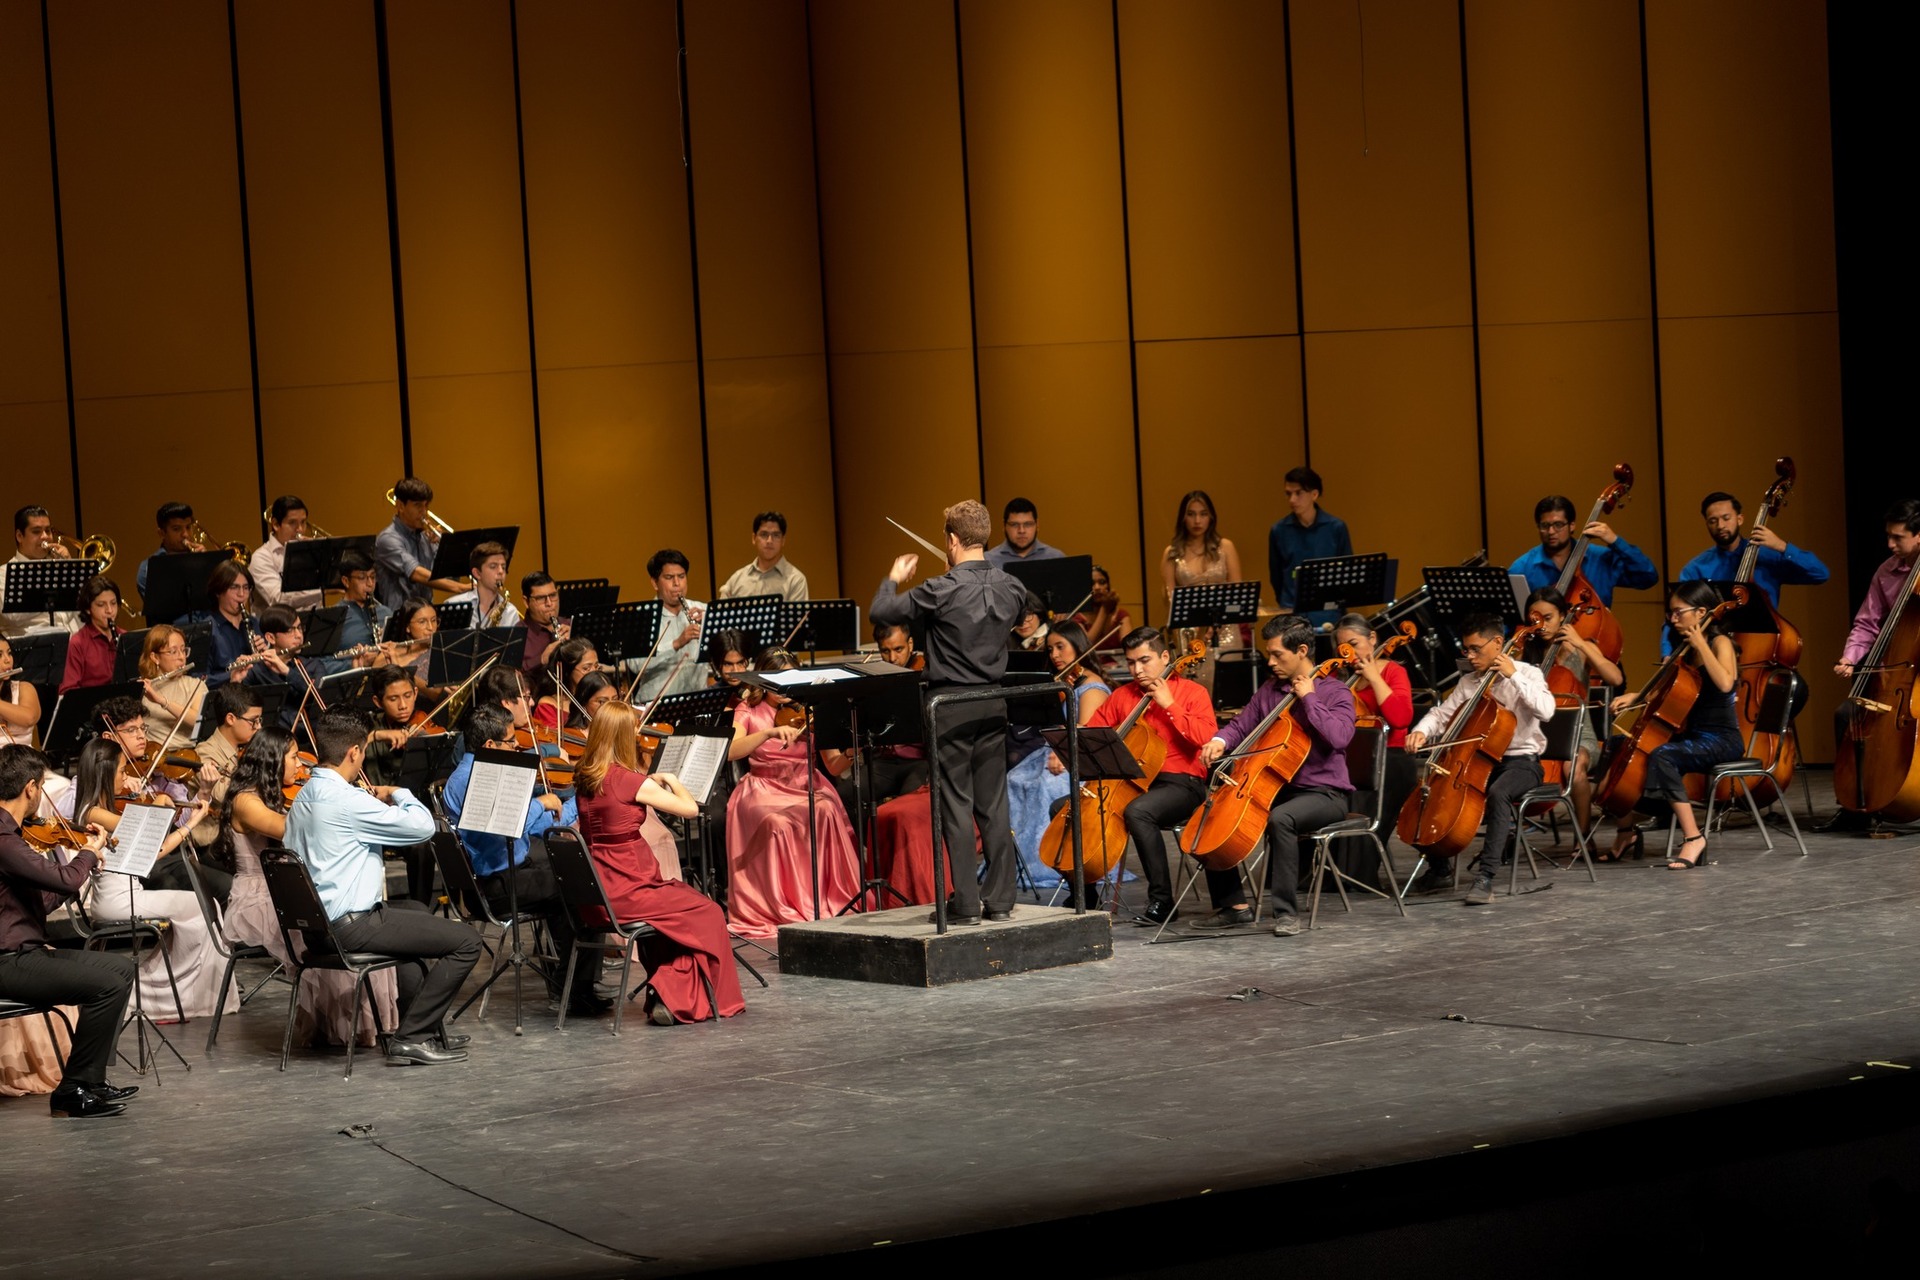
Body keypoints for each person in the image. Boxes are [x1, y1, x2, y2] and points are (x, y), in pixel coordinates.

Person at [284, 710, 480, 1065]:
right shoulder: (348, 801)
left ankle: (420, 1025)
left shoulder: (301, 798)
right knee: (468, 942)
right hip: (352, 927)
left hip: (317, 929)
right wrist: (399, 792)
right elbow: (422, 828)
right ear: (355, 753)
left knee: (417, 913)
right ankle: (412, 1037)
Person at [872, 499, 1029, 924]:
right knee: (993, 805)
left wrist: (893, 578)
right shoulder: (1010, 586)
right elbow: (1026, 611)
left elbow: (882, 612)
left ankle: (965, 903)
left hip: (951, 705)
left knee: (957, 805)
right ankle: (1000, 901)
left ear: (953, 540)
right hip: (994, 704)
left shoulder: (940, 589)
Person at [220, 726, 398, 1045]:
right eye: (293, 758)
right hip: (259, 895)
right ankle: (339, 1025)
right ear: (273, 761)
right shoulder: (246, 801)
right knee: (328, 928)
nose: (301, 767)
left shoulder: (277, 794)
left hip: (289, 888)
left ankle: (353, 1022)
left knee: (349, 916)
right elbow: (288, 829)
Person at [574, 699, 744, 1024]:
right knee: (707, 912)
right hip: (631, 889)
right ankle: (678, 992)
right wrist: (671, 779)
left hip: (598, 893)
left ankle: (670, 997)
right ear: (625, 736)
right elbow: (690, 809)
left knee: (676, 923)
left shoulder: (584, 777)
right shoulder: (629, 781)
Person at [0, 745, 138, 1118]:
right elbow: (63, 879)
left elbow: (44, 899)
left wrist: (76, 863)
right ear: (30, 788)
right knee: (106, 984)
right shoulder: (4, 841)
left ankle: (90, 1079)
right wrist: (88, 854)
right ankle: (72, 1088)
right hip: (9, 961)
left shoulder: (12, 838)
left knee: (121, 969)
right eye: (42, 785)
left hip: (23, 951)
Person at [1195, 616, 1356, 934]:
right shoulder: (1270, 690)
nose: (1270, 662)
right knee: (1213, 812)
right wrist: (1218, 740)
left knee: (1281, 819)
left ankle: (1285, 912)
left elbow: (1340, 737)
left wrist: (1309, 697)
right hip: (1278, 787)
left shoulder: (1334, 691)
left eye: (1277, 654)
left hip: (1324, 793)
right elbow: (1243, 726)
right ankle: (1233, 906)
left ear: (1302, 651)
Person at [442, 703, 604, 1014]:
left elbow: (529, 826)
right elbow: (503, 828)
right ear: (490, 745)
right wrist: (541, 803)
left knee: (571, 870)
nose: (518, 746)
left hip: (509, 869)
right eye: (510, 741)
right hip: (493, 886)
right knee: (583, 886)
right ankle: (574, 989)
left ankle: (571, 985)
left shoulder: (482, 771)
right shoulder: (472, 780)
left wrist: (576, 804)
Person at [66, 737, 231, 1020]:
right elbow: (153, 843)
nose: (126, 776)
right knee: (202, 906)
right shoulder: (94, 813)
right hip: (118, 901)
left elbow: (152, 852)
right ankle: (164, 993)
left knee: (206, 905)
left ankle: (179, 990)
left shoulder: (109, 808)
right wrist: (162, 809)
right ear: (105, 773)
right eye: (121, 771)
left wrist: (189, 811)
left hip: (128, 895)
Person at [1405, 614, 1556, 904]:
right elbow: (1441, 714)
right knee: (1425, 796)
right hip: (1476, 761)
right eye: (1467, 650)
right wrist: (1421, 732)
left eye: (1476, 649)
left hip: (1521, 762)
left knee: (1498, 793)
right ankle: (1440, 869)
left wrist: (1514, 675)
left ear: (1498, 642)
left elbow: (1547, 710)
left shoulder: (1528, 673)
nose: (1470, 656)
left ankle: (1486, 878)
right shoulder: (1469, 682)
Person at [1083, 627, 1218, 926]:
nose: (1137, 669)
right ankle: (1084, 893)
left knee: (1138, 812)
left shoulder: (1193, 693)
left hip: (1182, 783)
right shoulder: (1121, 696)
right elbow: (1092, 735)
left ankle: (1162, 901)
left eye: (1144, 660)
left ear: (1166, 657)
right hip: (1133, 783)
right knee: (1066, 809)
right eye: (1131, 662)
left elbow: (1205, 738)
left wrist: (1169, 704)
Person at [725, 648, 864, 937]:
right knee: (778, 822)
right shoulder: (748, 708)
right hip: (762, 787)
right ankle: (783, 903)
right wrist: (765, 734)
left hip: (805, 785)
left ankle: (824, 899)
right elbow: (730, 752)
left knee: (825, 809)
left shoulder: (810, 708)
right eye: (778, 679)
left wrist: (852, 751)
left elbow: (834, 766)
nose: (786, 688)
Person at [1604, 582, 1744, 869]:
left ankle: (1693, 837)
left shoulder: (1720, 644)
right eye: (1671, 613)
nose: (1672, 619)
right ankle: (1625, 831)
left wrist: (1702, 645)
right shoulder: (1683, 650)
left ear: (1702, 612)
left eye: (1679, 612)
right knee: (1616, 745)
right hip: (1691, 735)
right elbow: (1670, 692)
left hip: (1721, 739)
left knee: (1663, 756)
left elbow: (1726, 683)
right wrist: (1637, 697)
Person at [1831, 498, 1920, 828]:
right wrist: (1850, 657)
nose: (1890, 544)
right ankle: (1854, 805)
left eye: (1898, 537)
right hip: (1893, 671)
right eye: (1889, 536)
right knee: (1846, 714)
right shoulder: (1886, 571)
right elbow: (1868, 622)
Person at [1010, 621, 1109, 897]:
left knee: (1046, 786)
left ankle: (1051, 863)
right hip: (1056, 750)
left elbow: (1084, 731)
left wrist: (1061, 752)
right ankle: (1021, 864)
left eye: (1061, 647)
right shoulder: (1066, 680)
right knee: (1014, 779)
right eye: (1051, 648)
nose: (1054, 654)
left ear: (1078, 646)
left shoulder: (1091, 686)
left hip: (1079, 758)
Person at [1522, 588, 1623, 847]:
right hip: (1534, 733)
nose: (1541, 625)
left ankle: (1583, 835)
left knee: (1573, 765)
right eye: (1535, 618)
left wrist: (1580, 643)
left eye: (1548, 617)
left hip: (1579, 733)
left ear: (1564, 616)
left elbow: (1615, 678)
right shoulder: (1525, 651)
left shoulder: (1582, 647)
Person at [1331, 613, 1417, 884]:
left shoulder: (1393, 672)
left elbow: (1401, 719)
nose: (1349, 654)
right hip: (1351, 760)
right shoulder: (1339, 677)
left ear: (1372, 639)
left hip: (1391, 759)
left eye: (1354, 644)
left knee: (1362, 790)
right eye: (1342, 648)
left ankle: (1355, 874)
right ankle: (1324, 871)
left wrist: (1374, 678)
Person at [1510, 494, 1658, 606]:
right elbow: (1515, 619)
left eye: (1558, 525)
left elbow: (1648, 578)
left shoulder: (1600, 558)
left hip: (1594, 643)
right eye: (1544, 526)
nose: (1551, 531)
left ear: (1572, 525)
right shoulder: (1522, 567)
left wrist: (1615, 541)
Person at [1163, 489, 1246, 688]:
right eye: (1191, 514)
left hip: (1225, 629)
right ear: (1183, 518)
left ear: (1211, 517)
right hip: (1191, 633)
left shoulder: (1225, 547)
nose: (1197, 520)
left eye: (1203, 514)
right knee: (1195, 688)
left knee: (1229, 688)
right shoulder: (1172, 552)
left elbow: (1237, 591)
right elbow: (1169, 597)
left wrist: (1216, 623)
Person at [624, 550, 707, 702]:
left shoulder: (703, 610)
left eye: (681, 577)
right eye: (669, 578)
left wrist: (709, 630)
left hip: (696, 700)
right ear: (655, 583)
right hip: (655, 703)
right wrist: (676, 644)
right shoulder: (642, 617)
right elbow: (635, 665)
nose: (677, 584)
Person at [1267, 467, 1352, 614]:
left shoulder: (1336, 527)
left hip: (1329, 610)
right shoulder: (1279, 531)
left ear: (1314, 494)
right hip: (1292, 610)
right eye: (1288, 494)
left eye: (1298, 493)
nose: (1292, 500)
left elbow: (1348, 571)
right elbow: (1276, 577)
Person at [374, 476, 463, 612]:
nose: (424, 512)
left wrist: (444, 547)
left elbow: (448, 576)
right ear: (400, 506)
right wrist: (462, 588)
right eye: (417, 505)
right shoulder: (388, 539)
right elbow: (417, 574)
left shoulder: (425, 537)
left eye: (426, 505)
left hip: (426, 616)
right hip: (400, 619)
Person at [1, 505, 81, 637]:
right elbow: (11, 615)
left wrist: (69, 568)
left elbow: (81, 608)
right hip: (33, 652)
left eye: (48, 531)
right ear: (19, 536)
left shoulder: (58, 568)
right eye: (36, 532)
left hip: (73, 648)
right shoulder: (4, 574)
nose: (45, 537)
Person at [138, 625, 205, 754]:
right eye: (173, 651)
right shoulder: (143, 688)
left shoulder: (195, 685)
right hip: (152, 758)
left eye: (183, 650)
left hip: (187, 755)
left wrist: (163, 701)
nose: (181, 657)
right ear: (155, 657)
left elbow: (198, 721)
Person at [249, 494, 324, 611]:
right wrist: (322, 591)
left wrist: (318, 555)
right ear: (275, 524)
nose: (300, 529)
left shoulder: (308, 551)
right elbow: (278, 600)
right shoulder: (261, 558)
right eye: (292, 523)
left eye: (303, 522)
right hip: (276, 628)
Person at [719, 511, 810, 602]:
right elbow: (721, 614)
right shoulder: (736, 579)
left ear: (783, 540)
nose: (769, 541)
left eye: (776, 535)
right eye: (764, 535)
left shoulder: (796, 580)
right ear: (754, 538)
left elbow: (798, 616)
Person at [58, 575, 121, 695]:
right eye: (101, 605)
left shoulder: (125, 637)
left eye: (113, 603)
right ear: (88, 609)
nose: (109, 610)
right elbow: (67, 690)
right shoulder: (77, 643)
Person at [202, 560, 256, 686]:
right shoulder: (206, 630)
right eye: (234, 587)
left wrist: (264, 656)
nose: (241, 594)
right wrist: (230, 675)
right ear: (218, 592)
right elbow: (199, 680)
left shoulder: (255, 624)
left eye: (246, 588)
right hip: (224, 699)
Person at [445, 540, 520, 628]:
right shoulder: (454, 606)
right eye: (493, 566)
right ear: (477, 573)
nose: (501, 571)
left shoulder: (511, 612)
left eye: (503, 567)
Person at [135, 501, 196, 601]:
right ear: (161, 533)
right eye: (176, 529)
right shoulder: (148, 568)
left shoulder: (199, 558)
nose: (185, 534)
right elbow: (158, 607)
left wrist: (207, 563)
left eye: (188, 527)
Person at [336, 548, 393, 650]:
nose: (370, 584)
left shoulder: (386, 614)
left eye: (373, 577)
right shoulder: (335, 618)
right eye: (362, 578)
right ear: (346, 581)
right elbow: (324, 662)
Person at [519, 571, 572, 677]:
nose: (549, 603)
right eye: (541, 598)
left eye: (553, 595)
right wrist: (541, 659)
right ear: (526, 602)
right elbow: (510, 676)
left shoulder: (570, 625)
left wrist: (577, 641)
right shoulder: (517, 635)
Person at [985, 497, 1065, 567]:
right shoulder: (987, 561)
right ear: (1004, 526)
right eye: (1014, 525)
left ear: (1037, 525)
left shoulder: (1056, 558)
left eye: (1028, 524)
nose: (1021, 531)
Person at [0, 637, 46, 749]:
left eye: (9, 653)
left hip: (23, 762)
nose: (8, 660)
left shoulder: (24, 688)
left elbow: (29, 718)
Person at [1072, 564, 1130, 651]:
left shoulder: (1121, 615)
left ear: (1108, 586)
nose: (1097, 587)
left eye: (1102, 582)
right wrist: (1104, 610)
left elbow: (1129, 647)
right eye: (1091, 583)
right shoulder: (1078, 619)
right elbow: (1085, 647)